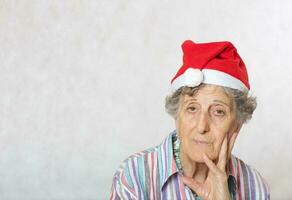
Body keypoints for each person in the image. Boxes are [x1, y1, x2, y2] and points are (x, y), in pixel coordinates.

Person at [110, 40, 270, 200]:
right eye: (192, 108)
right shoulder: (133, 176)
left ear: (237, 124)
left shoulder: (255, 187)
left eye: (218, 112)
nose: (202, 126)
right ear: (177, 114)